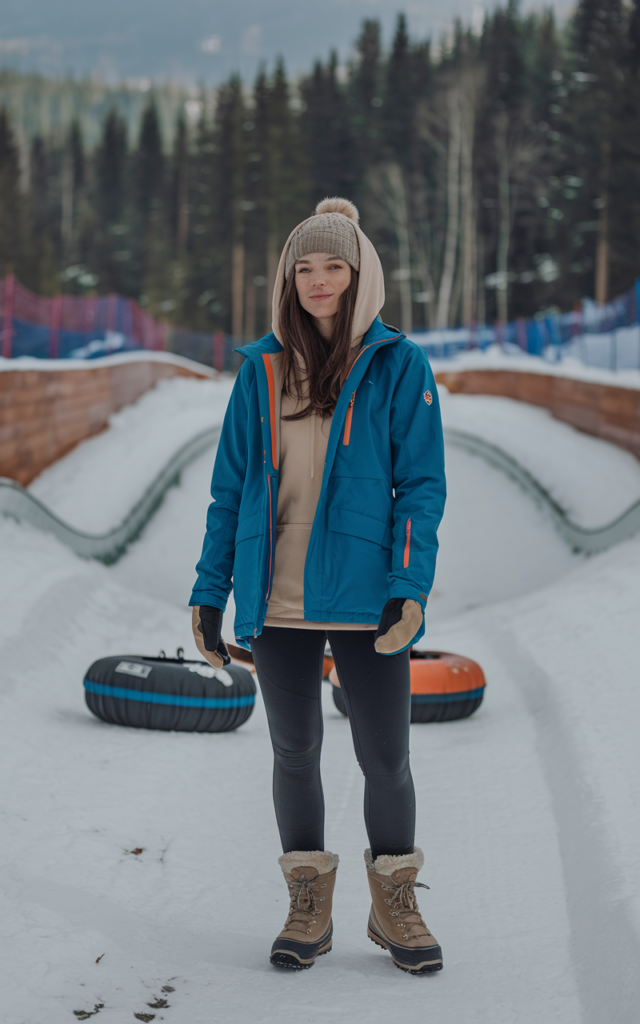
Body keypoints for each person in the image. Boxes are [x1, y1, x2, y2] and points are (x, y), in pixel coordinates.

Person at [190, 198, 446, 974]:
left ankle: (395, 904)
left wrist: (409, 588)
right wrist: (210, 593)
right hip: (277, 598)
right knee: (294, 750)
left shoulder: (400, 364)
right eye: (306, 267)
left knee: (385, 755)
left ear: (359, 272)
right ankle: (309, 904)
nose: (320, 281)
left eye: (334, 266)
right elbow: (228, 492)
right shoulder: (261, 369)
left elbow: (420, 486)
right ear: (288, 278)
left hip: (368, 597)